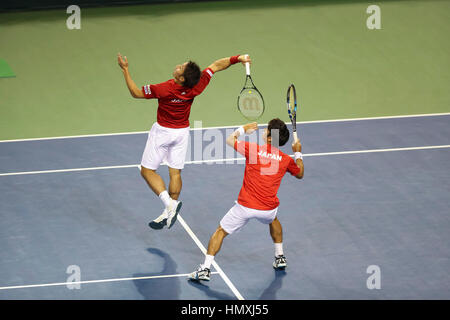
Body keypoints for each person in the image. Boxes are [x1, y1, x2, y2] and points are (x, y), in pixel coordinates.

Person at [117, 53, 251, 229]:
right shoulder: (197, 85)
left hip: (163, 133)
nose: (178, 65)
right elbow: (216, 66)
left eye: (180, 67)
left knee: (147, 171)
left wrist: (125, 70)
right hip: (181, 133)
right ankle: (169, 210)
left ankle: (169, 204)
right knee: (175, 173)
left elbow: (136, 93)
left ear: (181, 78)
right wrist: (237, 58)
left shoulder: (164, 88)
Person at [188, 118, 304, 281]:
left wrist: (242, 129)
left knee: (220, 231)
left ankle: (205, 269)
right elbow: (299, 173)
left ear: (270, 138)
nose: (263, 131)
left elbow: (230, 139)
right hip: (267, 208)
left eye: (266, 130)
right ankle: (280, 257)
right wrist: (298, 152)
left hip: (245, 207)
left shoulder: (253, 149)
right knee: (273, 218)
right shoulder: (286, 160)